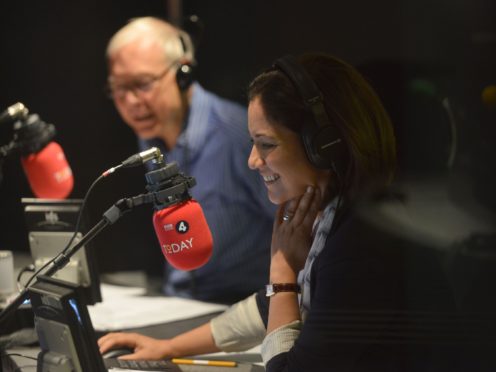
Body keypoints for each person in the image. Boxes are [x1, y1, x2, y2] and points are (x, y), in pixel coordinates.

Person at [99, 53, 456, 371]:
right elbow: (268, 306)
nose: (253, 161)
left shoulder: (361, 246)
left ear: (324, 144)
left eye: (266, 144)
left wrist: (282, 271)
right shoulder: (335, 215)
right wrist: (168, 347)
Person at [105, 17, 275, 304]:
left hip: (239, 306)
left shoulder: (238, 137)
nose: (131, 102)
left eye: (143, 84)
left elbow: (300, 233)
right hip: (180, 301)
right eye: (118, 88)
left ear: (183, 74)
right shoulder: (150, 140)